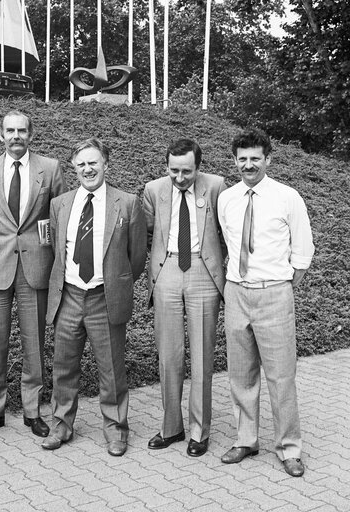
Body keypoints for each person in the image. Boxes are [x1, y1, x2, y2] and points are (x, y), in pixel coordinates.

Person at [218, 128, 314, 477]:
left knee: (281, 376)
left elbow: (302, 253)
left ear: (268, 159)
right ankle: (246, 440)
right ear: (235, 161)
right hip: (236, 292)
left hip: (274, 293)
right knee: (240, 375)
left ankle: (289, 448)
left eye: (255, 158)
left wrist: (281, 287)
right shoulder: (226, 199)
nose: (248, 164)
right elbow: (226, 243)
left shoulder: (288, 197)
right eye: (242, 159)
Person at [42, 138, 147, 456]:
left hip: (105, 296)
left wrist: (116, 282)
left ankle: (116, 428)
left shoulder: (127, 203)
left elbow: (137, 256)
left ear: (106, 165)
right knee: (63, 366)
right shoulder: (60, 204)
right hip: (69, 296)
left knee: (111, 368)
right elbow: (55, 251)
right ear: (74, 168)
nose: (88, 169)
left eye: (93, 162)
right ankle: (61, 424)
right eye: (81, 164)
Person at [0, 110, 67, 439]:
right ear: (0, 134)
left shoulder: (50, 169)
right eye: (10, 130)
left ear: (31, 134)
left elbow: (58, 218)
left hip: (35, 268)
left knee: (33, 343)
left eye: (21, 130)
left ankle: (32, 410)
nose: (16, 136)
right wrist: (2, 243)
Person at [143, 139, 226, 457]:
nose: (179, 177)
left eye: (186, 171)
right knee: (169, 354)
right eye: (173, 170)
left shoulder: (216, 187)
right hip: (167, 272)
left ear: (198, 167)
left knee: (202, 355)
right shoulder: (154, 190)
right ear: (167, 167)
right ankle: (171, 427)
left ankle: (199, 431)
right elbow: (146, 231)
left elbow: (226, 230)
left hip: (203, 271)